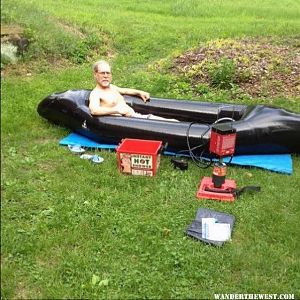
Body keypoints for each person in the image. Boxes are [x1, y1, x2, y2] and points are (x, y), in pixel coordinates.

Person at [89, 60, 178, 121]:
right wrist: (116, 110)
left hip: (135, 117)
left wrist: (139, 92)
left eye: (108, 73)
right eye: (102, 73)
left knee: (174, 121)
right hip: (127, 123)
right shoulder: (96, 93)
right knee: (172, 123)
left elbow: (125, 91)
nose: (105, 76)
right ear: (95, 75)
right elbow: (94, 110)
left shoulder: (112, 87)